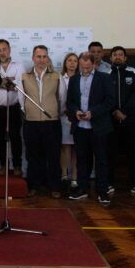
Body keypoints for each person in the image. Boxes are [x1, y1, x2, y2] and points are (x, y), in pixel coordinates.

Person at [66, 53, 114, 204]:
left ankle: (102, 191)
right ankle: (82, 188)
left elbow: (110, 101)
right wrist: (76, 111)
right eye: (82, 67)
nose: (85, 70)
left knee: (101, 160)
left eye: (88, 67)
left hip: (99, 126)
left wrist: (93, 113)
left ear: (94, 64)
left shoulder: (104, 78)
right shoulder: (74, 79)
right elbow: (70, 102)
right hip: (80, 127)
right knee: (82, 159)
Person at [19, 45, 62, 198]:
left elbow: (61, 98)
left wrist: (53, 111)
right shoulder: (24, 77)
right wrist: (30, 112)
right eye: (39, 56)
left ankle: (55, 187)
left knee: (53, 156)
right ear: (33, 58)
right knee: (33, 156)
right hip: (31, 123)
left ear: (47, 58)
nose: (41, 60)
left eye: (44, 57)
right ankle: (33, 186)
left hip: (52, 122)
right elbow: (21, 99)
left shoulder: (56, 76)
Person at [108, 46, 135, 196]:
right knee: (110, 153)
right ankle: (109, 184)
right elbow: (105, 97)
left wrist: (124, 113)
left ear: (125, 58)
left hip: (130, 120)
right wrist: (114, 111)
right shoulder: (106, 75)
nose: (118, 57)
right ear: (110, 58)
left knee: (132, 153)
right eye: (115, 54)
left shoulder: (132, 74)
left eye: (120, 55)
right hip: (111, 121)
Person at [0, 39, 25, 176]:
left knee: (15, 137)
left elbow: (20, 85)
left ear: (9, 50)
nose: (2, 52)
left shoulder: (18, 66)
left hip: (14, 108)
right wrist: (8, 82)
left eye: (4, 49)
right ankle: (3, 165)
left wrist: (0, 83)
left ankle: (17, 165)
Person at [58, 52, 79, 190]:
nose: (72, 63)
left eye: (75, 61)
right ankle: (64, 175)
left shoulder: (81, 78)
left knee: (76, 148)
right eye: (69, 60)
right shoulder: (60, 78)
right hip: (63, 116)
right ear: (65, 63)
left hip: (78, 118)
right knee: (65, 147)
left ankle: (75, 178)